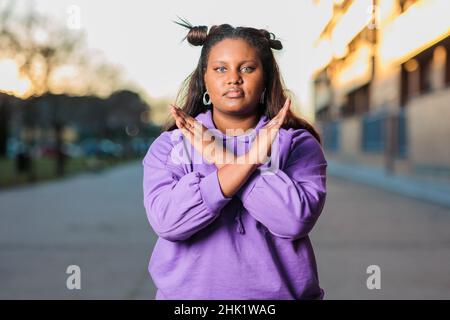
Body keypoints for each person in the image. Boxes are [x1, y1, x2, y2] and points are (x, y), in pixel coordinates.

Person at [142, 20, 328, 300]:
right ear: (204, 78)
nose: (233, 78)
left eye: (247, 68)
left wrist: (222, 156)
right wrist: (250, 160)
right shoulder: (170, 146)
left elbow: (293, 221)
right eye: (220, 69)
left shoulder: (298, 144)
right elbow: (169, 223)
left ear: (265, 78)